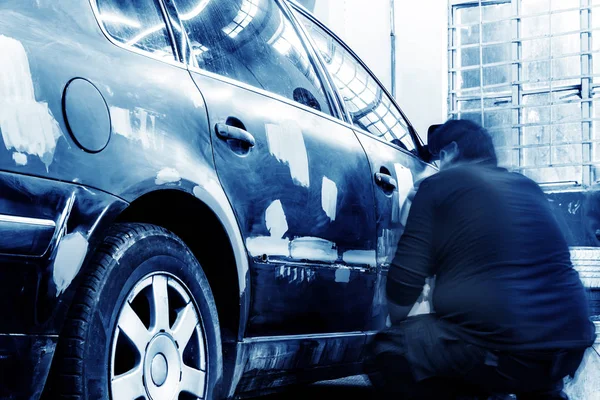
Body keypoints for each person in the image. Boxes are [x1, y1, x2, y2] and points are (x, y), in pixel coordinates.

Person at [366, 119, 596, 399]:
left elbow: (404, 281)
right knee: (526, 363)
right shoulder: (527, 187)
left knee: (389, 350)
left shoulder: (439, 184)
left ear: (449, 152)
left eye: (438, 157)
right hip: (568, 345)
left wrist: (402, 324)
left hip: (501, 347)